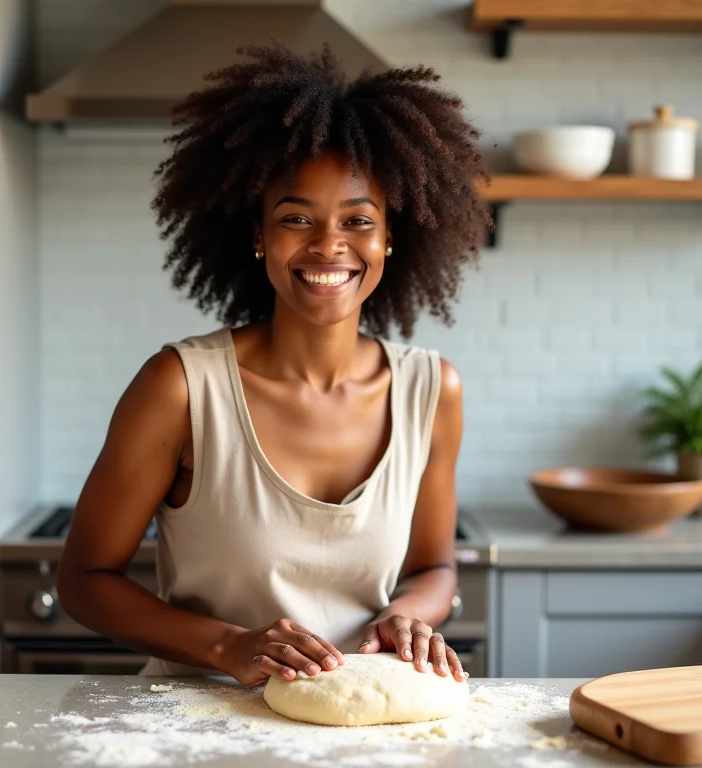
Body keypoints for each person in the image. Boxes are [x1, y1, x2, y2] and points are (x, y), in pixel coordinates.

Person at [57, 42, 490, 688]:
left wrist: (406, 616)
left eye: (357, 220)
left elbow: (435, 569)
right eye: (296, 218)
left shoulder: (433, 391)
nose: (328, 245)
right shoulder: (180, 388)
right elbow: (84, 581)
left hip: (360, 732)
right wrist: (228, 646)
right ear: (258, 234)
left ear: (390, 236)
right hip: (195, 730)